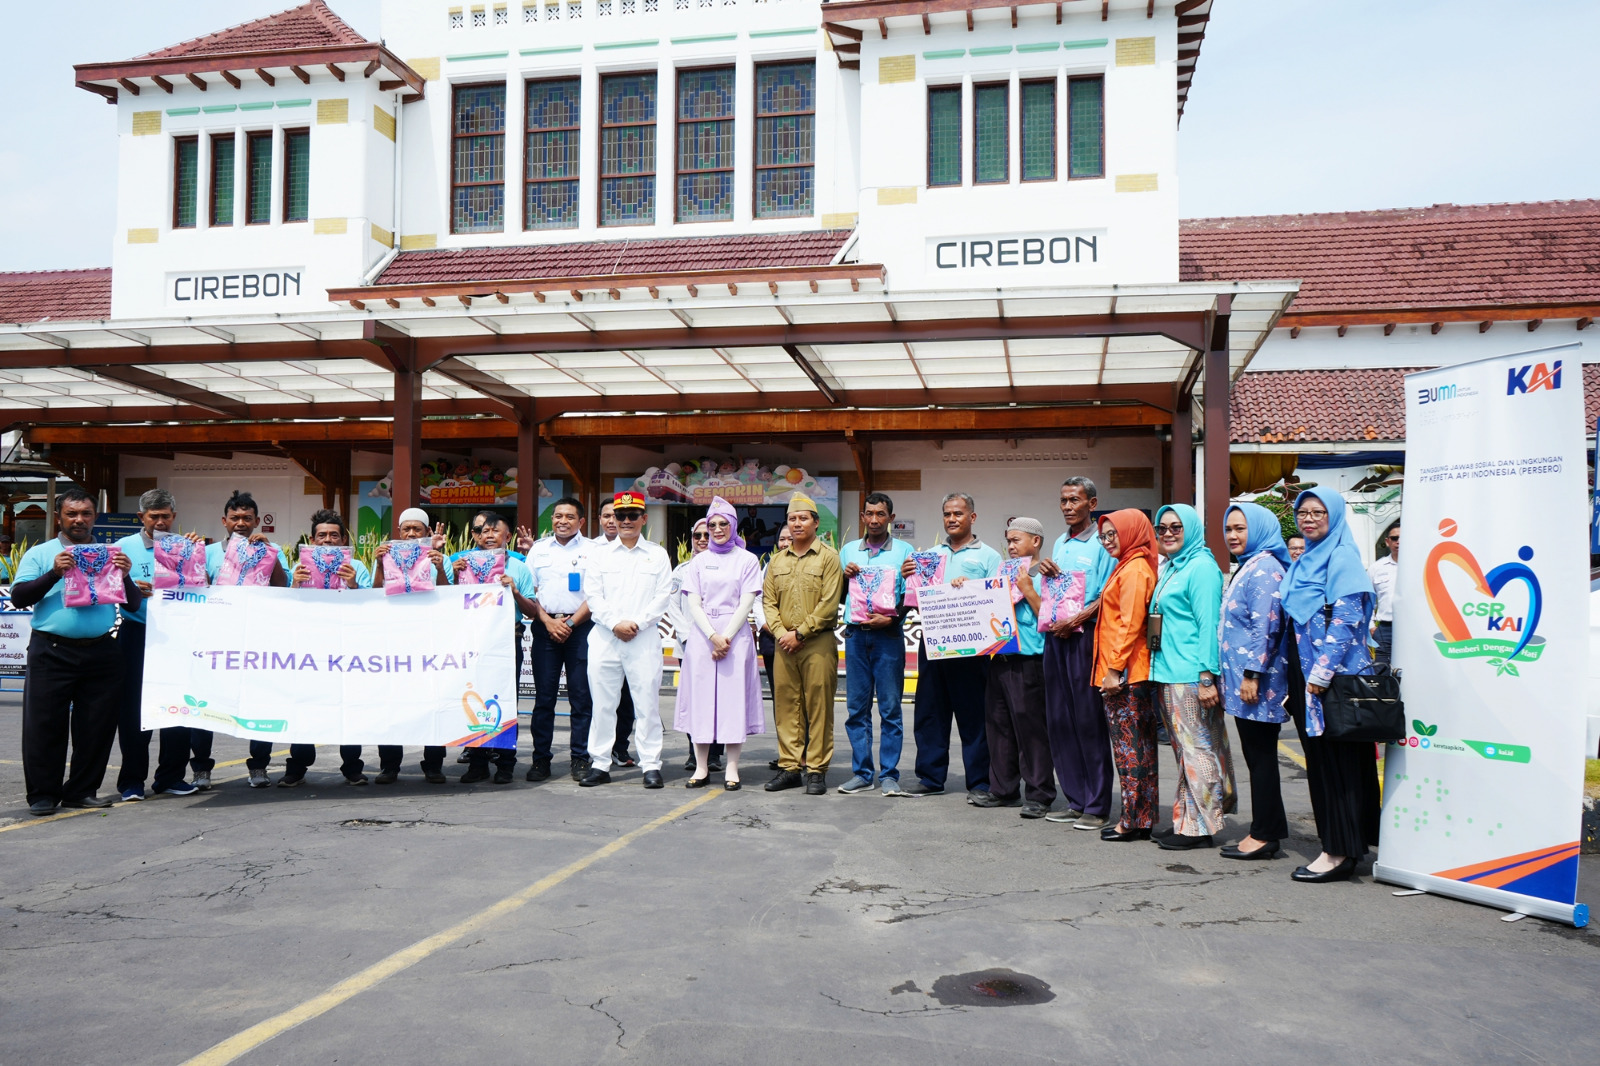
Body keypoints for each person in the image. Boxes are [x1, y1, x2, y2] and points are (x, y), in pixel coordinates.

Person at [10, 489, 140, 814]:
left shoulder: (109, 554)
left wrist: (125, 575)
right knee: (44, 726)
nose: (79, 519)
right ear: (59, 517)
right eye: (72, 514)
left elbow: (135, 604)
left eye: (85, 513)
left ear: (95, 517)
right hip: (51, 651)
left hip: (101, 651)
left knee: (96, 727)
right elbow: (20, 597)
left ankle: (82, 790)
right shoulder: (41, 554)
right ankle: (42, 794)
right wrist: (54, 572)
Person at [1281, 487, 1381, 883]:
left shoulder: (1340, 557)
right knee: (1328, 765)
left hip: (1332, 683)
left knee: (1335, 767)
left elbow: (1346, 621)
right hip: (1311, 679)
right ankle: (1347, 845)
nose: (1308, 519)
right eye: (1302, 512)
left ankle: (1337, 851)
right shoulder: (1306, 560)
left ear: (1334, 515)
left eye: (1318, 512)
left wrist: (1320, 676)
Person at [899, 492, 1000, 798]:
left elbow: (996, 599)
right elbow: (916, 600)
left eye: (958, 513)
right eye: (947, 514)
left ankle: (980, 782)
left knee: (974, 717)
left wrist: (970, 590)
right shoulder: (929, 556)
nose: (952, 519)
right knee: (930, 713)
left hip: (972, 651)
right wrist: (909, 577)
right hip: (933, 644)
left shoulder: (989, 556)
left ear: (972, 517)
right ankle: (930, 778)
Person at [1148, 504, 1234, 850]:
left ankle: (1201, 827)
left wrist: (1206, 677)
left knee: (1199, 752)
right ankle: (1187, 819)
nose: (1167, 533)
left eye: (1176, 528)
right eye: (1162, 527)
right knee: (1186, 754)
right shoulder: (1173, 566)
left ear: (1192, 529)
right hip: (1170, 673)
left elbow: (1208, 625)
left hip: (1190, 675)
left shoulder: (1200, 568)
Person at [1037, 476, 1117, 830]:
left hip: (1084, 638)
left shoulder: (1102, 544)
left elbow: (1108, 595)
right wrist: (1046, 571)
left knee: (1087, 720)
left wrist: (1079, 618)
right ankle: (1075, 799)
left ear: (1092, 504)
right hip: (1055, 637)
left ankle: (1097, 805)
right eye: (1063, 500)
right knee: (1059, 720)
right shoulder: (1059, 541)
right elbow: (1056, 591)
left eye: (1075, 500)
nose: (1068, 506)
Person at [113, 489, 203, 802]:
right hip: (137, 634)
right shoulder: (122, 548)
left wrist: (194, 554)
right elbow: (103, 589)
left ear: (174, 517)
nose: (161, 521)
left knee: (178, 706)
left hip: (178, 636)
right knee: (134, 711)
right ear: (142, 518)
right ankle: (131, 781)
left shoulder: (187, 547)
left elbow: (201, 587)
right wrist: (129, 586)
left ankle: (171, 777)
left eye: (166, 515)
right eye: (154, 516)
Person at [580, 491, 672, 788]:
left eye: (633, 515)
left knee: (647, 703)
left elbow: (662, 596)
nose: (626, 521)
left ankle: (651, 764)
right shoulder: (599, 554)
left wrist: (637, 623)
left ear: (644, 518)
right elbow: (593, 595)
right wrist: (615, 623)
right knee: (603, 704)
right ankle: (600, 763)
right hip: (606, 637)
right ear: (613, 519)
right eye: (621, 516)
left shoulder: (657, 554)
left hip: (643, 638)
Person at [1218, 502, 1292, 861]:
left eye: (1240, 529)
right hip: (1245, 679)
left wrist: (1252, 674)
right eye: (1229, 529)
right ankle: (1268, 828)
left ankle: (1264, 834)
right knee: (1256, 756)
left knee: (1261, 758)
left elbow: (1267, 626)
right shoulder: (1250, 565)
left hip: (1257, 683)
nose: (1232, 535)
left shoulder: (1264, 569)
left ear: (1259, 529)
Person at [204, 490, 290, 787]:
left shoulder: (271, 548)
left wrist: (271, 555)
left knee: (261, 701)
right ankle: (201, 768)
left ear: (256, 521)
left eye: (247, 518)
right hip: (217, 637)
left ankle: (259, 766)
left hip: (258, 636)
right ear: (224, 521)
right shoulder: (208, 552)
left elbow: (284, 587)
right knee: (207, 700)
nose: (241, 523)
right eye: (235, 518)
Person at [677, 497, 765, 790]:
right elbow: (693, 602)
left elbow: (747, 602)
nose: (716, 529)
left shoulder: (747, 560)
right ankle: (701, 767)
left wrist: (725, 635)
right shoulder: (698, 561)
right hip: (703, 636)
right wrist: (712, 636)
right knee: (701, 701)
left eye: (722, 523)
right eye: (711, 524)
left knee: (732, 701)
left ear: (734, 525)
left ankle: (732, 768)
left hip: (735, 635)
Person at [973, 517, 1056, 819]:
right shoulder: (1002, 573)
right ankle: (1003, 789)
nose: (1010, 546)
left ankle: (1039, 793)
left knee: (1032, 730)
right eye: (1008, 540)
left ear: (1035, 541)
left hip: (1029, 660)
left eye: (1016, 540)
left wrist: (1028, 589)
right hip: (999, 658)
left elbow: (1052, 616)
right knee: (999, 727)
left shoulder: (1046, 573)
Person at [284, 509, 373, 786]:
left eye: (334, 535)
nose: (327, 540)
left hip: (347, 649)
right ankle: (296, 767)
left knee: (349, 706)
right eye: (321, 535)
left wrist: (353, 584)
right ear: (312, 539)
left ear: (343, 539)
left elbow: (373, 607)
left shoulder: (357, 567)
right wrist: (295, 585)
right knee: (305, 706)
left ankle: (352, 767)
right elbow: (282, 608)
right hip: (308, 649)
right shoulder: (298, 567)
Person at [762, 493, 844, 795]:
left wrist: (800, 633)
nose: (797, 524)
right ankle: (789, 768)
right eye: (792, 519)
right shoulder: (776, 561)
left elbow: (829, 602)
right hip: (784, 644)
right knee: (786, 706)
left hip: (817, 642)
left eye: (803, 518)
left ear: (816, 523)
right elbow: (768, 602)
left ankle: (817, 770)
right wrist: (782, 631)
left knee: (818, 706)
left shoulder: (828, 558)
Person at [450, 513, 538, 784]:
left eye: (495, 531)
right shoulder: (461, 564)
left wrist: (514, 592)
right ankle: (477, 762)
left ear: (507, 537)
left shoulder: (520, 568)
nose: (488, 535)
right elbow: (446, 605)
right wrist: (453, 577)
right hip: (472, 641)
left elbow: (533, 611)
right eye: (483, 531)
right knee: (473, 699)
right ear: (475, 536)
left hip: (507, 640)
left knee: (505, 701)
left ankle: (505, 764)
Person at [837, 492, 914, 796]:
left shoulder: (905, 551)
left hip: (888, 637)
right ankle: (862, 773)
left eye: (881, 514)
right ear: (862, 516)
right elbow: (841, 595)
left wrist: (892, 620)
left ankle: (890, 775)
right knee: (856, 708)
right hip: (856, 636)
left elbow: (911, 596)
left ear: (890, 518)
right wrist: (846, 578)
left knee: (891, 709)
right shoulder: (847, 551)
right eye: (869, 513)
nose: (874, 519)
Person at [1093, 509, 1160, 842]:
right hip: (1133, 672)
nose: (1107, 542)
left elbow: (1130, 624)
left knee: (1130, 751)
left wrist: (1113, 669)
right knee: (1141, 750)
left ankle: (1132, 820)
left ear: (1131, 532)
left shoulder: (1133, 569)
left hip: (1127, 674)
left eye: (1113, 534)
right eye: (1103, 536)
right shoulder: (1131, 564)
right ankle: (1141, 817)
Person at [373, 507, 451, 784]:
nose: (411, 534)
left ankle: (434, 764)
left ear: (427, 533)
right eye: (406, 529)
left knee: (433, 702)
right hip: (394, 640)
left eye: (417, 529)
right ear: (398, 532)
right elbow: (373, 594)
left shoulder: (439, 558)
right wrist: (381, 565)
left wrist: (440, 566)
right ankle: (389, 765)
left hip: (430, 640)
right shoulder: (385, 556)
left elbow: (450, 594)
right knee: (392, 702)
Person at [525, 496, 596, 783]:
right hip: (545, 627)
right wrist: (548, 621)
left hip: (581, 628)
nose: (562, 521)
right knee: (544, 699)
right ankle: (540, 760)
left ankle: (580, 758)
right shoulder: (538, 551)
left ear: (580, 522)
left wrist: (569, 622)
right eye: (557, 516)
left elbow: (597, 594)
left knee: (581, 698)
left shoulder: (594, 550)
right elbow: (528, 593)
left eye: (569, 517)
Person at [673, 518, 725, 776]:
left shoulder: (726, 566)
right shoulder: (681, 570)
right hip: (690, 645)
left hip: (720, 645)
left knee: (720, 701)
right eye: (698, 536)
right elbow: (671, 604)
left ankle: (715, 755)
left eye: (708, 535)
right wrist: (688, 637)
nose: (703, 539)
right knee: (695, 701)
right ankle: (695, 754)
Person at [597, 499, 637, 768]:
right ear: (600, 519)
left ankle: (620, 747)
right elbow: (592, 594)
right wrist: (613, 623)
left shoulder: (648, 552)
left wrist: (632, 625)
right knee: (601, 699)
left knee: (628, 698)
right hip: (601, 631)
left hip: (635, 634)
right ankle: (597, 755)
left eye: (623, 515)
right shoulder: (593, 550)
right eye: (609, 516)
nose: (616, 521)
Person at [754, 524, 791, 773]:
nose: (786, 542)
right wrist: (772, 628)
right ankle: (786, 753)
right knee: (781, 700)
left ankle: (806, 754)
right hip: (772, 640)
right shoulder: (771, 565)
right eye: (782, 539)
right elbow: (759, 600)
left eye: (790, 538)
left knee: (804, 700)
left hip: (802, 640)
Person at [1369, 520, 1400, 668]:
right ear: (1387, 541)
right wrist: (1371, 626)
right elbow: (1368, 600)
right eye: (1394, 538)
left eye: (1402, 537)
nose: (1399, 542)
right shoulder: (1377, 568)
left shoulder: (1420, 567)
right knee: (1382, 670)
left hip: (1413, 627)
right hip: (1385, 628)